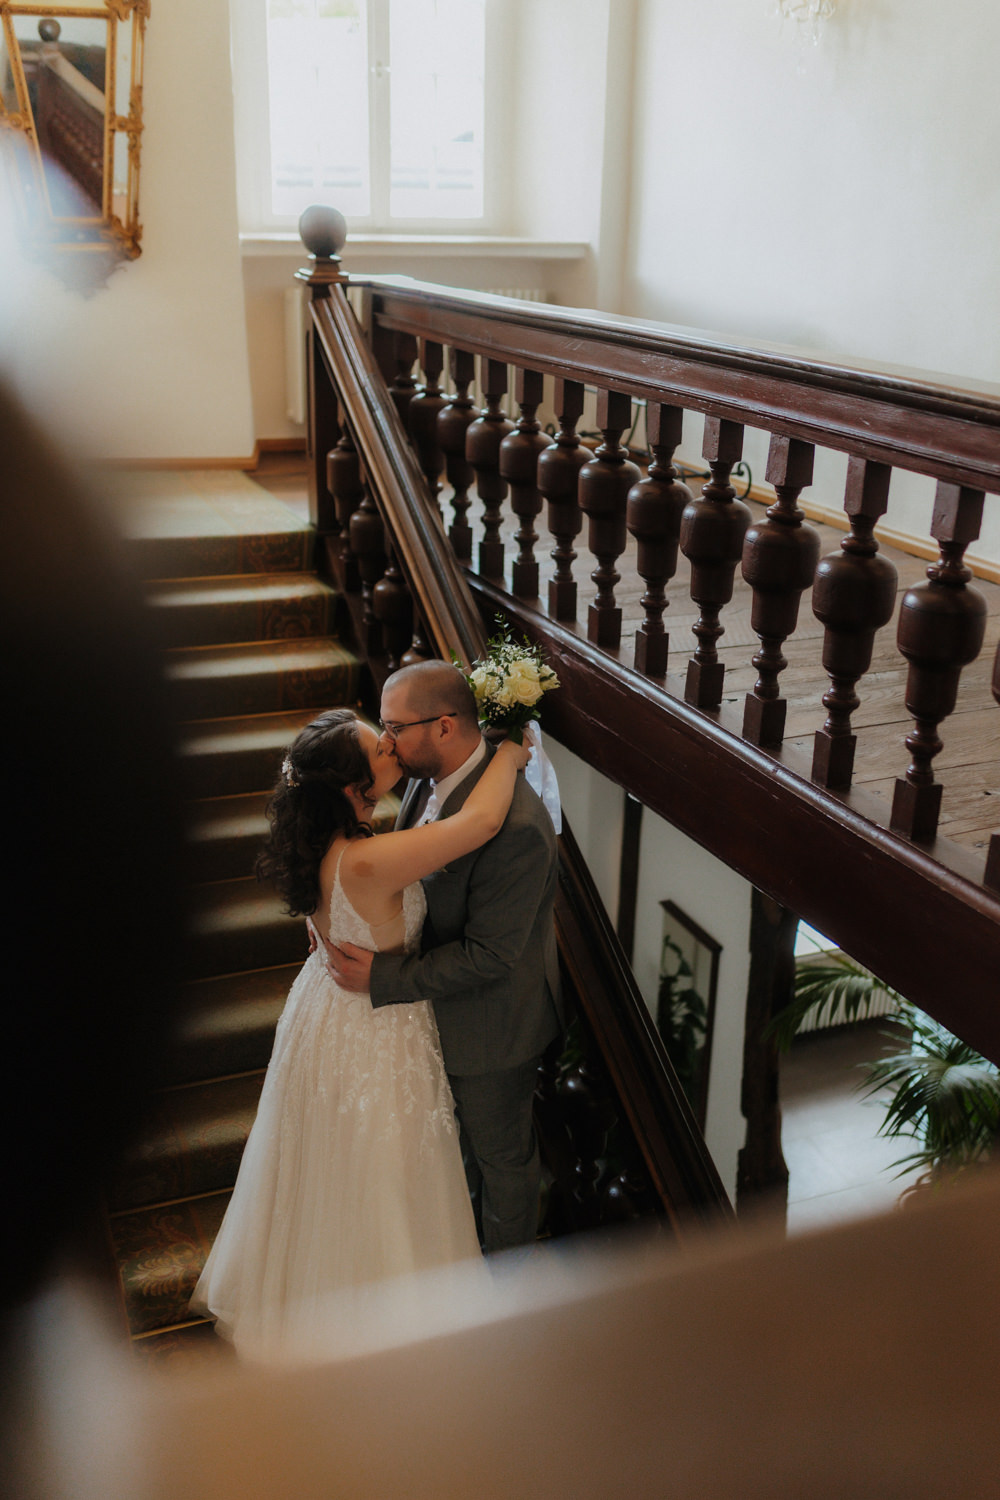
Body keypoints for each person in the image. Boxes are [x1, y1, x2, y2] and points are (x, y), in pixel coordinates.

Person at [189, 707, 530, 1361]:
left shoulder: (328, 846)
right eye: (381, 746)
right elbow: (481, 822)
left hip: (322, 1010)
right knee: (380, 1180)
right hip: (371, 1031)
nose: (393, 746)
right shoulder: (366, 860)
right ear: (352, 789)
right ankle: (380, 1344)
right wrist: (510, 752)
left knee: (331, 1170)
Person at [325, 660, 565, 1255]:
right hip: (431, 1013)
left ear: (444, 726)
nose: (384, 742)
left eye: (393, 726)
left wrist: (385, 975)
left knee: (502, 1164)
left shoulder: (519, 828)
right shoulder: (423, 781)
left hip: (491, 1028)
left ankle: (506, 1294)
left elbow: (490, 955)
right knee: (451, 1159)